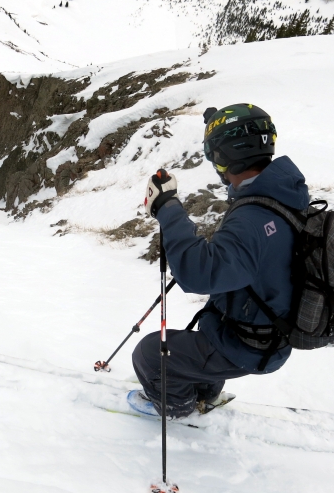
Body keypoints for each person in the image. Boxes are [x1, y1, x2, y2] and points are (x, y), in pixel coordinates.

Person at [131, 103, 309, 418]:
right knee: (205, 331)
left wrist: (168, 207)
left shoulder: (254, 218)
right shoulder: (283, 197)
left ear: (224, 158)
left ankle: (177, 404)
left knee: (149, 354)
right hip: (266, 335)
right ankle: (204, 389)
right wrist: (217, 125)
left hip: (248, 346)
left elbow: (198, 274)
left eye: (215, 155)